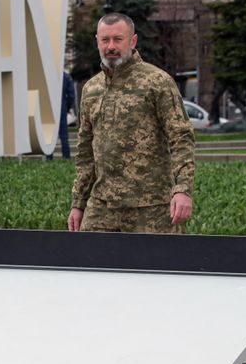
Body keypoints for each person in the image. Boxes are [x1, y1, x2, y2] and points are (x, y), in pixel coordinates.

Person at [68, 13, 196, 233]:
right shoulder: (91, 89)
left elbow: (181, 138)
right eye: (105, 40)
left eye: (118, 39)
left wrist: (182, 190)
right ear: (97, 41)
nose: (111, 46)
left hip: (151, 207)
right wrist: (78, 203)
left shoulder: (157, 82)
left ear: (133, 41)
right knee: (91, 264)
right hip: (102, 207)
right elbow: (85, 152)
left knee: (159, 266)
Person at [46, 70, 77, 160]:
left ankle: (49, 158)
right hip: (61, 108)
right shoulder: (66, 76)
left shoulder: (48, 75)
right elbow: (71, 95)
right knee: (64, 135)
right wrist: (66, 107)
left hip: (49, 108)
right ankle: (66, 158)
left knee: (49, 136)